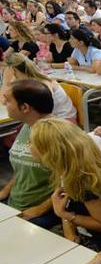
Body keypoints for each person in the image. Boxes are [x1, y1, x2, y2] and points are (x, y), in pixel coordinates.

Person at [30, 118, 101, 254]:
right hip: (83, 230)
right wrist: (68, 229)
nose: (29, 146)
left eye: (32, 143)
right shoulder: (66, 169)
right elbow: (66, 205)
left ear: (51, 152)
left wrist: (64, 214)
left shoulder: (86, 182)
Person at [0, 80, 58, 228]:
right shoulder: (28, 126)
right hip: (16, 202)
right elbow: (23, 168)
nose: (4, 104)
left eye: (8, 101)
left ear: (25, 107)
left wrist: (40, 209)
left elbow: (70, 184)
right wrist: (5, 191)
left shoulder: (55, 135)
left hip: (42, 211)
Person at [1, 54, 77, 121]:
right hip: (43, 118)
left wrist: (6, 81)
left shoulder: (42, 82)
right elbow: (4, 100)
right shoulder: (24, 82)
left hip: (61, 120)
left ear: (14, 70)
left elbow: (46, 108)